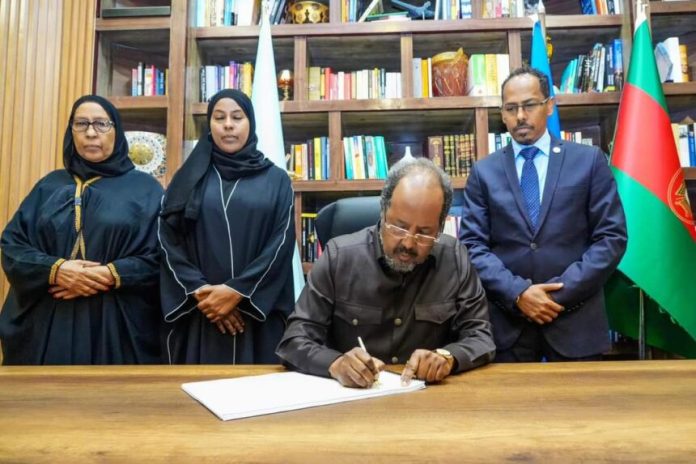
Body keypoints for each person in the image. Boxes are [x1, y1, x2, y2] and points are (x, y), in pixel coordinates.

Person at [277, 158, 495, 388]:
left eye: (424, 233)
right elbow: (294, 340)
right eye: (399, 227)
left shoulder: (455, 258)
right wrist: (335, 363)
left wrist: (447, 357)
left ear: (440, 227)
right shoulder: (338, 257)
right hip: (352, 397)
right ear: (383, 211)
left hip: (427, 397)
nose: (408, 243)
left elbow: (481, 337)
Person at [460, 67, 628, 362]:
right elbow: (472, 246)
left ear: (549, 106)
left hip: (575, 322)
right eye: (511, 108)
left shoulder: (588, 161)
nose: (520, 116)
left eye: (529, 105)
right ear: (502, 114)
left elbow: (611, 238)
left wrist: (554, 296)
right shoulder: (483, 172)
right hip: (508, 328)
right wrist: (519, 294)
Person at [0, 95, 163, 364]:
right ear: (71, 131)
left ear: (116, 131)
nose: (90, 133)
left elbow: (162, 257)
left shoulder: (146, 190)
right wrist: (57, 270)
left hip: (116, 326)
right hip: (49, 323)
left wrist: (109, 274)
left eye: (101, 124)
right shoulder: (48, 186)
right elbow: (13, 247)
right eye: (81, 124)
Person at [159, 89, 295, 364]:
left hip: (256, 316)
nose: (228, 125)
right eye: (219, 118)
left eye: (237, 117)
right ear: (209, 125)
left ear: (250, 123)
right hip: (201, 313)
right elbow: (167, 239)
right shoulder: (188, 178)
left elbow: (280, 243)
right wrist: (203, 294)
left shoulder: (276, 179)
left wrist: (238, 292)